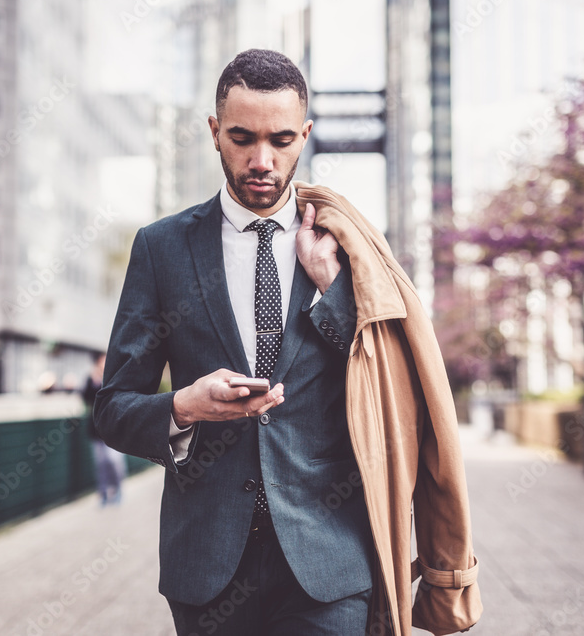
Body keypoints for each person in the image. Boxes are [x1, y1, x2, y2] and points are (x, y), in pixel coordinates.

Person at [94, 49, 481, 635]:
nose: (262, 161)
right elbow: (114, 409)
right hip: (207, 567)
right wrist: (184, 407)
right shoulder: (161, 248)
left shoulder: (349, 247)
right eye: (242, 138)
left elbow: (389, 382)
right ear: (214, 132)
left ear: (304, 135)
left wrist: (333, 289)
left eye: (280, 140)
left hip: (329, 563)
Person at [82, 353, 127, 505]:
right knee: (101, 464)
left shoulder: (114, 378)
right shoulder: (91, 380)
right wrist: (94, 380)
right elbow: (86, 398)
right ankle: (103, 495)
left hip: (113, 430)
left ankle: (118, 490)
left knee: (114, 462)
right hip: (96, 430)